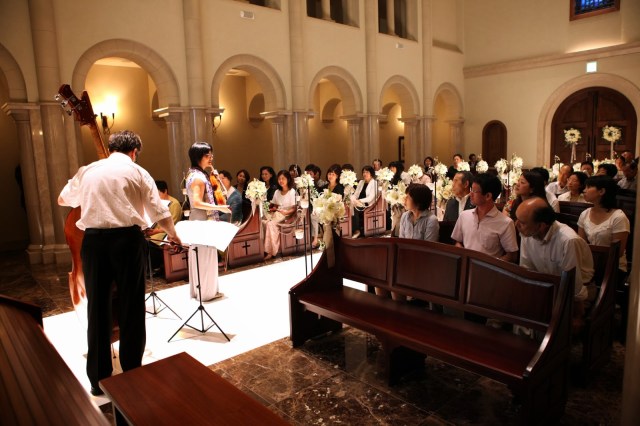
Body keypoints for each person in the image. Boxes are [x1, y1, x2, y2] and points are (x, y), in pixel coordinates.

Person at [58, 130, 182, 396]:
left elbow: (63, 199)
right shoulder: (138, 172)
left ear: (112, 147)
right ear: (134, 152)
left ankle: (98, 379)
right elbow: (159, 211)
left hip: (93, 243)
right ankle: (132, 373)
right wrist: (173, 235)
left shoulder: (88, 170)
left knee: (97, 309)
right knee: (131, 307)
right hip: (127, 241)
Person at [516, 197, 594, 328]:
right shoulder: (528, 233)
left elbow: (575, 286)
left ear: (541, 225)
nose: (516, 225)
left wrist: (577, 316)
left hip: (576, 294)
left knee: (543, 321)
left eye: (522, 222)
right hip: (548, 288)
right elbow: (527, 269)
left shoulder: (568, 240)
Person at [185, 142, 231, 302]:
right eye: (207, 155)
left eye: (211, 154)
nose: (211, 158)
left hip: (200, 219)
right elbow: (197, 202)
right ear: (198, 157)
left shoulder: (195, 174)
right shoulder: (198, 177)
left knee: (202, 256)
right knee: (205, 257)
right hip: (202, 221)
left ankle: (201, 291)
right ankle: (206, 293)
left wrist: (216, 177)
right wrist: (220, 208)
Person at [451, 173, 518, 263]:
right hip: (466, 266)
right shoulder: (464, 215)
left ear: (488, 196)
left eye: (474, 191)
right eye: (471, 190)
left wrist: (491, 266)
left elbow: (512, 255)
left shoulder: (506, 223)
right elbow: (457, 241)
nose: (470, 194)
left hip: (488, 269)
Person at [147, 180, 183, 273]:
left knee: (150, 243)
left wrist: (155, 231)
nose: (156, 197)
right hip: (154, 231)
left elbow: (173, 225)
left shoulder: (174, 204)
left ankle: (155, 266)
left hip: (165, 233)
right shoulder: (156, 203)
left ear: (165, 191)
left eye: (158, 194)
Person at [263, 170, 297, 260]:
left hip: (287, 215)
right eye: (279, 179)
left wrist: (286, 212)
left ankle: (271, 251)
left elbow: (294, 208)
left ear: (288, 179)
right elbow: (274, 205)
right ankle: (264, 250)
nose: (281, 181)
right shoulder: (277, 192)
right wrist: (272, 208)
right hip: (277, 213)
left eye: (283, 178)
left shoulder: (292, 191)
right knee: (263, 221)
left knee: (270, 224)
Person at [351, 165, 378, 239]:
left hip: (368, 204)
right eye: (363, 172)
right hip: (358, 202)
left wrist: (359, 200)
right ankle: (349, 229)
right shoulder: (361, 182)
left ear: (371, 173)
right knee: (349, 205)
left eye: (367, 172)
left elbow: (370, 198)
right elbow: (356, 194)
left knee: (355, 208)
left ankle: (357, 230)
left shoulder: (374, 183)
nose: (365, 174)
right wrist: (353, 199)